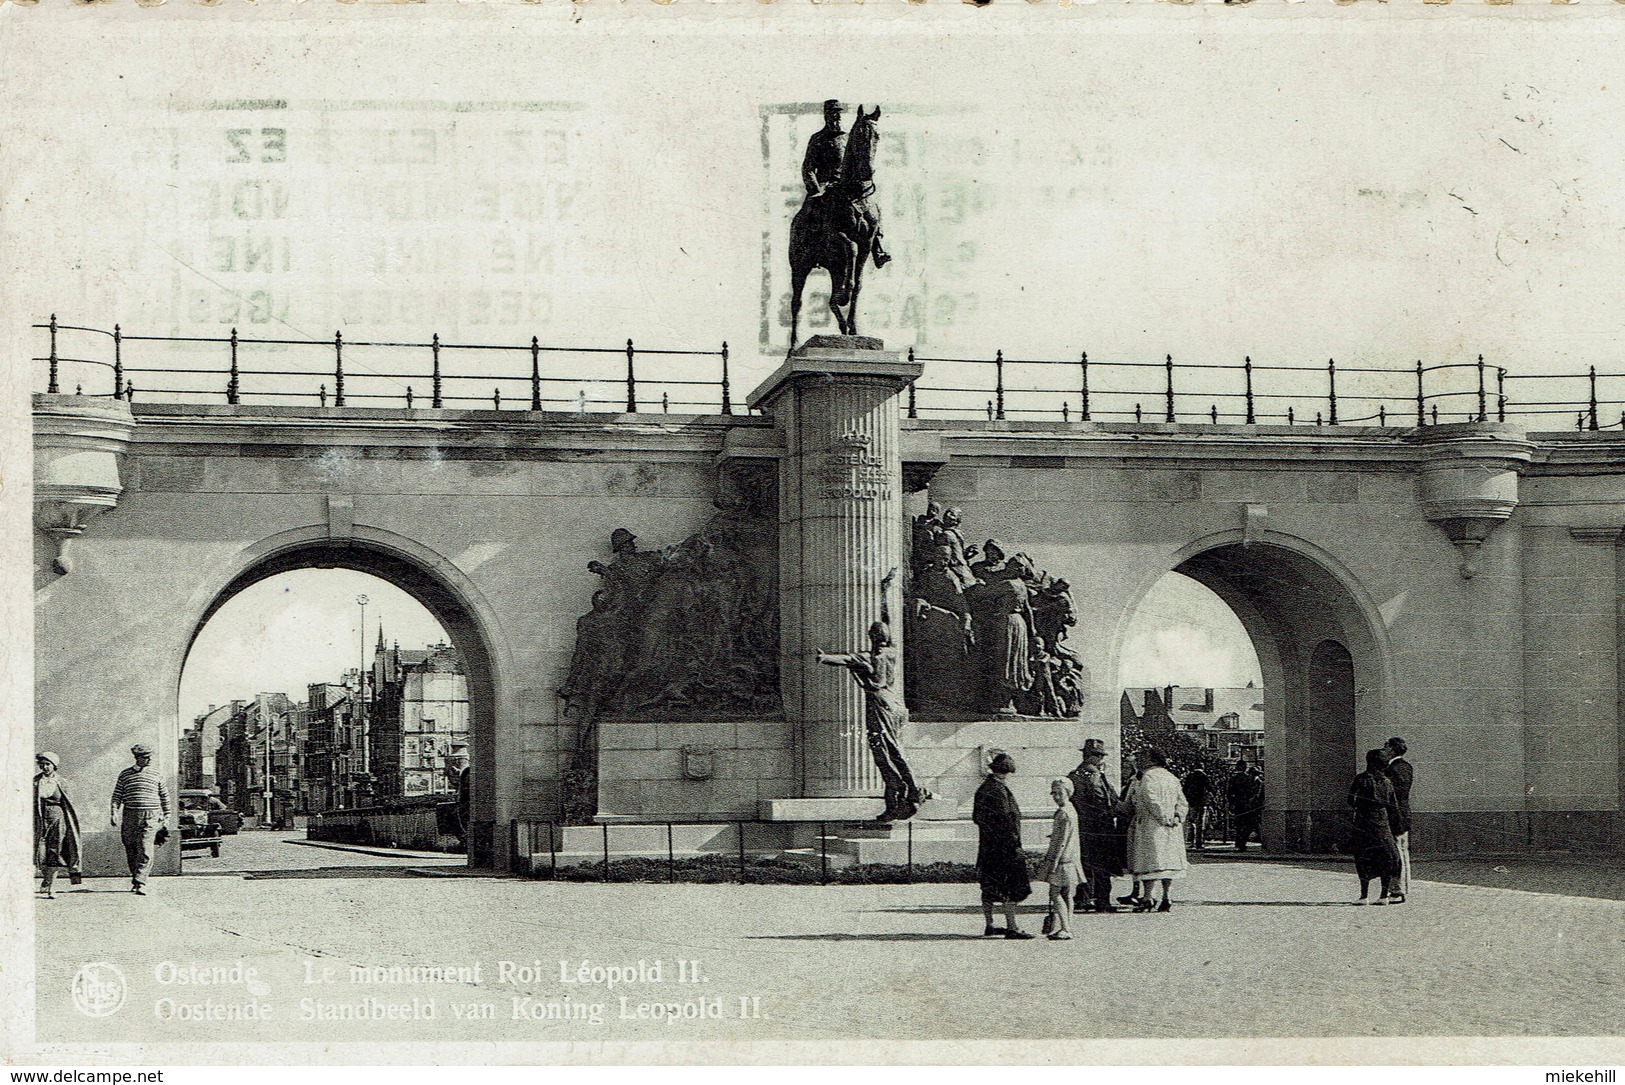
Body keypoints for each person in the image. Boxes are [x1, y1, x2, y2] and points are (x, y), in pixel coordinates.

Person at [819, 611, 921, 822]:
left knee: (883, 752)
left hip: (879, 705)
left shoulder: (869, 658)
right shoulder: (892, 653)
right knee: (892, 750)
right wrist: (885, 593)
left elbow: (845, 659)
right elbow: (889, 622)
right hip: (895, 703)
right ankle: (902, 795)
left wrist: (825, 657)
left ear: (871, 636)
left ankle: (909, 791)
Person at [800, 99, 890, 268]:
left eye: (839, 113)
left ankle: (878, 249)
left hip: (846, 186)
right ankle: (811, 249)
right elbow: (808, 168)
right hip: (824, 185)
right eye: (833, 113)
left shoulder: (848, 138)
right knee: (811, 211)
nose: (836, 117)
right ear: (826, 116)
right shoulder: (818, 139)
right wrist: (815, 190)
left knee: (873, 209)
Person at [972, 753, 1033, 938]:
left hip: (988, 846)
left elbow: (977, 818)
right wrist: (1015, 845)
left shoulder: (983, 788)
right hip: (1005, 848)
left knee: (988, 885)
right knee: (1011, 885)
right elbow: (1008, 821)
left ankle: (990, 924)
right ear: (1005, 772)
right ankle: (1012, 927)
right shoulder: (999, 790)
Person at [1126, 747, 1188, 912]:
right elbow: (1182, 802)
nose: (1139, 760)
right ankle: (1167, 896)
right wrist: (1177, 817)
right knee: (1168, 862)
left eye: (1144, 757)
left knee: (1150, 861)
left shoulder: (1148, 777)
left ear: (1153, 760)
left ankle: (1148, 897)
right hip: (1172, 827)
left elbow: (1150, 799)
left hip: (1151, 825)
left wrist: (1163, 818)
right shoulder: (1172, 778)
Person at [1067, 739, 1122, 913]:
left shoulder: (1075, 775)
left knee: (1085, 862)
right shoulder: (1093, 775)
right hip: (1099, 825)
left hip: (1085, 826)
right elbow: (1106, 799)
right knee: (1101, 865)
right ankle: (1101, 900)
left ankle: (1083, 898)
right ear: (1091, 756)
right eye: (1098, 756)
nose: (1100, 759)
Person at [111, 743, 170, 895]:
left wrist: (167, 816)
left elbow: (164, 796)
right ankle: (136, 877)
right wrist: (114, 812)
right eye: (145, 757)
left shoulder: (156, 775)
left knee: (145, 848)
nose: (149, 760)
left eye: (150, 757)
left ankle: (140, 881)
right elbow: (117, 796)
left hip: (151, 815)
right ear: (137, 758)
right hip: (130, 814)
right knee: (131, 848)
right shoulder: (125, 775)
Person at [1348, 748, 1403, 904]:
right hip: (1382, 822)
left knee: (1363, 856)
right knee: (1385, 857)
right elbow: (1393, 806)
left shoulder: (1361, 779)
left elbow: (1350, 800)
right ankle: (1383, 896)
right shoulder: (1387, 782)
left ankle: (1364, 896)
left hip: (1364, 821)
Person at [1038, 777, 1083, 941]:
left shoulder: (1064, 813)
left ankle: (1065, 928)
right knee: (1067, 894)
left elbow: (1062, 842)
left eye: (1059, 793)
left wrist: (1053, 863)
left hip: (1062, 860)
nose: (1056, 796)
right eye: (1053, 793)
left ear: (1068, 793)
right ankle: (1068, 926)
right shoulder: (1071, 810)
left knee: (1055, 893)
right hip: (1072, 858)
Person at [34, 752, 82, 898]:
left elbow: (68, 804)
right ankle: (47, 878)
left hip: (57, 819)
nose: (45, 767)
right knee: (39, 854)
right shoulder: (34, 781)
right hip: (38, 819)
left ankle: (51, 887)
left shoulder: (62, 782)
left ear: (54, 766)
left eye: (48, 764)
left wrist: (68, 825)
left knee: (54, 852)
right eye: (42, 764)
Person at [1384, 736, 1413, 902]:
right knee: (1402, 849)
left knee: (1395, 851)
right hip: (1404, 812)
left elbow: (1392, 795)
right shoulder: (1407, 766)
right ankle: (1404, 886)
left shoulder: (1391, 770)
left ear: (1392, 749)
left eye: (1386, 747)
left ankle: (1397, 889)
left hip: (1394, 814)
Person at [1228, 760, 1264, 851]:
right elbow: (1251, 792)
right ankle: (1242, 843)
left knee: (1239, 824)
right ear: (1245, 767)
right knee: (1248, 824)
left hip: (1237, 804)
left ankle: (1238, 843)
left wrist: (1232, 803)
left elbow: (1229, 794)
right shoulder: (1248, 778)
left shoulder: (1233, 779)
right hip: (1247, 805)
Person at [1181, 765, 1211, 850]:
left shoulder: (1190, 776)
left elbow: (1184, 789)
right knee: (1200, 822)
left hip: (1191, 802)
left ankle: (1190, 841)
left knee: (1191, 821)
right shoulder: (1204, 776)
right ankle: (1199, 842)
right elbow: (1210, 788)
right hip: (1201, 802)